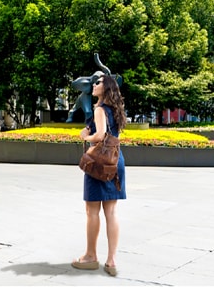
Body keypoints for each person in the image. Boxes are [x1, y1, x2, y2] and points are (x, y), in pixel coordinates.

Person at [72, 73, 127, 277]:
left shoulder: (100, 109)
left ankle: (90, 256)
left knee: (92, 211)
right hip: (116, 161)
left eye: (98, 82)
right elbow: (111, 133)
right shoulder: (116, 109)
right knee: (111, 212)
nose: (93, 85)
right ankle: (111, 261)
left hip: (99, 163)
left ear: (106, 88)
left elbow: (101, 135)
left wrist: (86, 135)